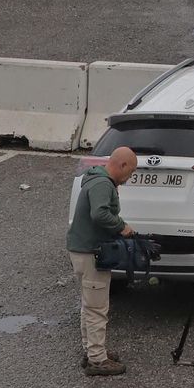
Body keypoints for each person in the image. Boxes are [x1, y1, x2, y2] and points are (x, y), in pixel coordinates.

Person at [66, 147, 137, 376]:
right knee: (97, 307)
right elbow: (100, 214)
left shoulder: (96, 178)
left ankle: (92, 351)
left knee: (89, 304)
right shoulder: (102, 184)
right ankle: (97, 360)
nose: (130, 178)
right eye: (131, 172)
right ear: (122, 165)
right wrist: (122, 226)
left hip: (81, 250)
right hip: (90, 253)